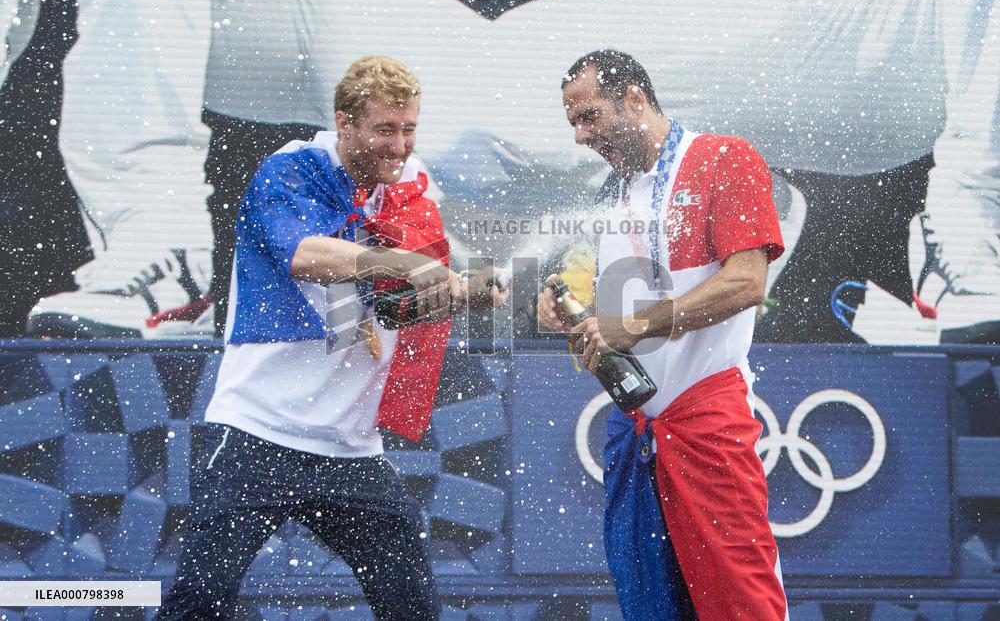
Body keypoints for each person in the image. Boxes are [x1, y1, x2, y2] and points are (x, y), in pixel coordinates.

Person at [155, 56, 507, 620]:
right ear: (345, 123)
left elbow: (400, 302)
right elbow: (304, 255)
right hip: (257, 432)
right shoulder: (291, 168)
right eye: (384, 130)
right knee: (198, 603)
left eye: (409, 128)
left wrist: (469, 290)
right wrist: (403, 262)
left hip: (351, 448)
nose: (399, 146)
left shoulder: (411, 191)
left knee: (412, 607)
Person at [538, 49, 787, 620]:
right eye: (573, 122)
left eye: (590, 117)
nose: (580, 136)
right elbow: (594, 287)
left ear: (634, 99)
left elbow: (747, 282)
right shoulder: (610, 192)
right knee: (648, 605)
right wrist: (559, 307)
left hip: (708, 420)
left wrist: (631, 326)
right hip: (635, 429)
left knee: (742, 604)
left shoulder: (723, 157)